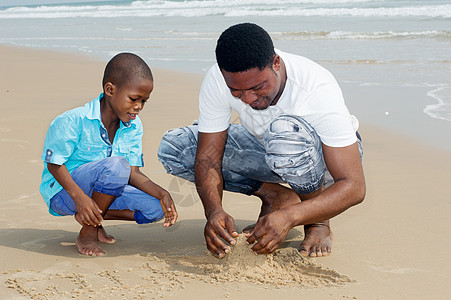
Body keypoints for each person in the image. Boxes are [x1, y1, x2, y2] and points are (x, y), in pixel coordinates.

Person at [158, 23, 365, 258]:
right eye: (236, 91)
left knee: (285, 134)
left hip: (325, 160)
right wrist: (214, 211)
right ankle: (278, 196)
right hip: (270, 148)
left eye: (257, 87)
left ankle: (317, 222)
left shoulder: (315, 87)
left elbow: (354, 186)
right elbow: (207, 157)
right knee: (176, 147)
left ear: (276, 63)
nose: (247, 98)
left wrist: (290, 217)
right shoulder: (218, 79)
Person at [40, 53, 178, 256]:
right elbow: (54, 164)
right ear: (110, 89)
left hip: (102, 191)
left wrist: (163, 194)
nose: (138, 107)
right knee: (116, 166)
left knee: (156, 208)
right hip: (64, 194)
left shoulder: (133, 126)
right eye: (133, 99)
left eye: (144, 101)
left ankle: (92, 216)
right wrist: (80, 199)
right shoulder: (72, 120)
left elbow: (132, 172)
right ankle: (89, 231)